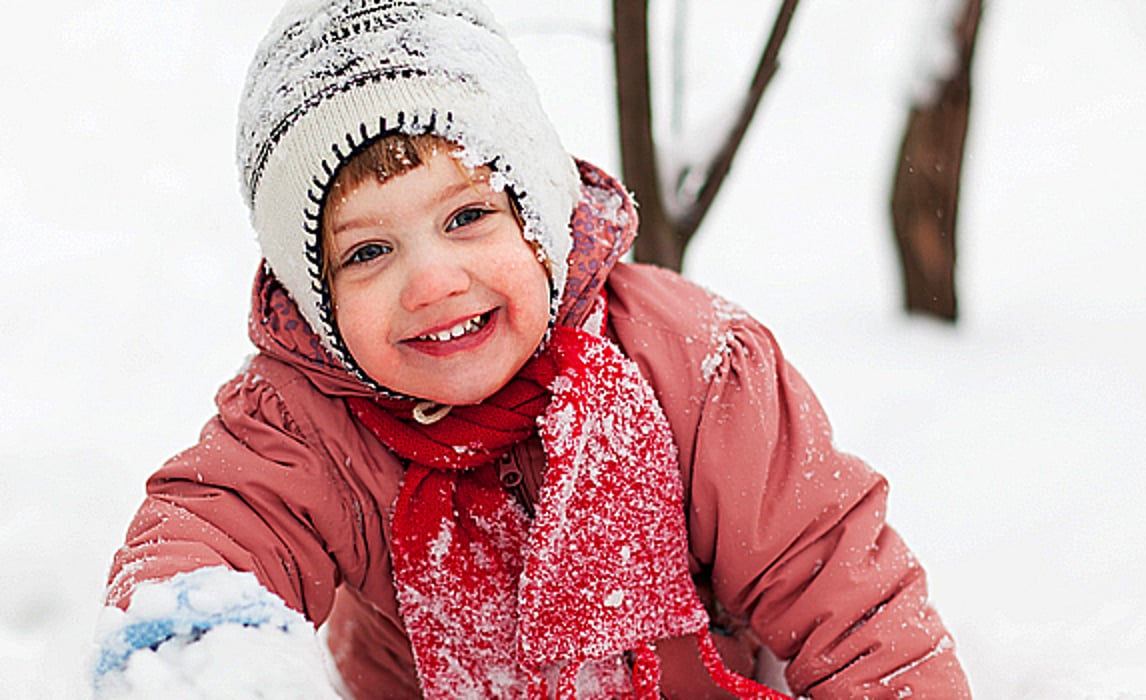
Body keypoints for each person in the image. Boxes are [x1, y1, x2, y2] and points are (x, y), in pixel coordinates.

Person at [93, 1, 972, 698]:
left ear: (541, 213)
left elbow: (839, 591)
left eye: (467, 217)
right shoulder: (307, 420)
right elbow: (210, 534)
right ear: (315, 302)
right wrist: (189, 651)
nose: (432, 281)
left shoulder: (693, 367)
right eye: (366, 252)